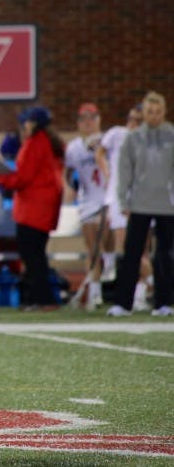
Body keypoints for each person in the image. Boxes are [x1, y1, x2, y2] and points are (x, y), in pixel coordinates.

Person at [106, 91, 173, 318]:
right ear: (143, 113)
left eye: (157, 112)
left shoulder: (172, 135)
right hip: (139, 203)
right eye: (149, 112)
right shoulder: (132, 139)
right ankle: (123, 304)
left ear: (164, 112)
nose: (153, 116)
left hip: (166, 204)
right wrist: (123, 199)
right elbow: (124, 172)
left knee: (165, 255)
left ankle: (164, 303)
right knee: (132, 253)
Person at [0, 106, 65, 309]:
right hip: (44, 209)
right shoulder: (50, 142)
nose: (23, 126)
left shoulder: (36, 143)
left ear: (33, 123)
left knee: (32, 256)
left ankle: (43, 300)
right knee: (37, 255)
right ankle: (39, 299)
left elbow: (21, 178)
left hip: (34, 210)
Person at [96, 103, 151, 309]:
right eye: (130, 119)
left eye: (138, 121)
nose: (132, 124)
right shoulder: (117, 134)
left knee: (141, 251)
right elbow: (99, 153)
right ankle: (127, 294)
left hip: (142, 200)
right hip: (119, 200)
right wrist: (108, 174)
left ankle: (142, 291)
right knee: (125, 249)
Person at [64, 103, 109, 310]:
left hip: (108, 198)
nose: (88, 123)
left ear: (99, 120)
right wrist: (70, 190)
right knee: (93, 249)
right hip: (87, 200)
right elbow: (69, 175)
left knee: (108, 249)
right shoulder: (73, 148)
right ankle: (95, 292)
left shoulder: (109, 141)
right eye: (84, 119)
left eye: (92, 118)